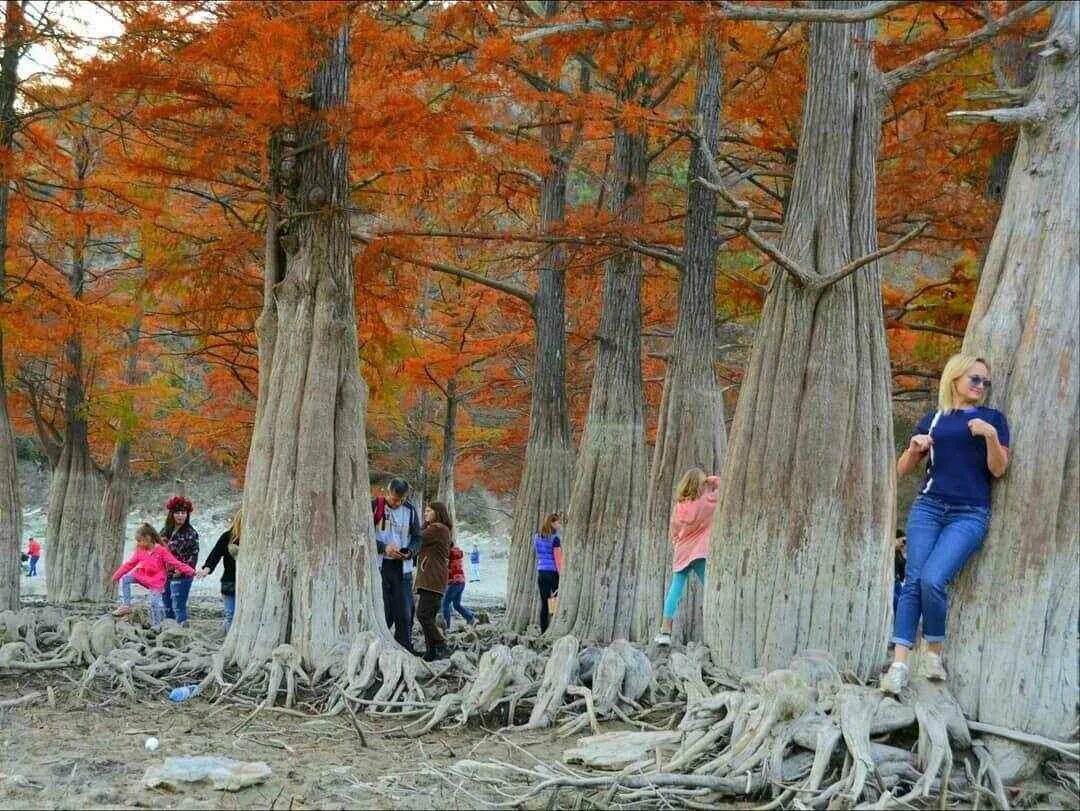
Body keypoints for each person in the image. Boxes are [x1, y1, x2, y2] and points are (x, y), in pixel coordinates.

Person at [881, 354, 1010, 694]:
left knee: (933, 579)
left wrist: (991, 437)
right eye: (974, 379)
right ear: (955, 379)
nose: (980, 386)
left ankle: (933, 650)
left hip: (969, 513)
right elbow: (903, 469)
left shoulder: (993, 419)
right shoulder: (934, 419)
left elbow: (998, 469)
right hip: (929, 507)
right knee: (912, 583)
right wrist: (913, 448)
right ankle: (899, 664)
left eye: (985, 382)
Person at [655, 469, 721, 647]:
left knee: (675, 590)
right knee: (711, 587)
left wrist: (678, 542)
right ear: (701, 485)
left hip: (682, 552)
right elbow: (722, 489)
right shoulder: (706, 502)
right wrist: (711, 480)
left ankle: (665, 631)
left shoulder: (679, 507)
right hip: (699, 553)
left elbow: (673, 532)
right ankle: (720, 624)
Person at [372, 478, 422, 652]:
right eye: (393, 499)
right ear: (387, 492)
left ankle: (404, 648)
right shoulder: (375, 506)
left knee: (405, 612)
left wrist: (409, 551)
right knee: (384, 611)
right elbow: (364, 535)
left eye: (400, 500)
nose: (397, 503)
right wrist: (383, 548)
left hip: (403, 569)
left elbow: (417, 538)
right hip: (380, 566)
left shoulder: (410, 511)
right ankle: (380, 648)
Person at [112, 523, 195, 626]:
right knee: (126, 578)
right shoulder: (140, 550)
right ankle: (126, 605)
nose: (138, 543)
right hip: (142, 575)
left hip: (156, 580)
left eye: (140, 540)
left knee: (154, 602)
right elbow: (129, 564)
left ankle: (157, 624)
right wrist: (116, 575)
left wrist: (191, 571)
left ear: (148, 538)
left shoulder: (161, 550)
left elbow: (175, 563)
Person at [416, 501, 453, 661]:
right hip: (434, 578)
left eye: (429, 511)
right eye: (425, 511)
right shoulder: (440, 530)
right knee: (428, 616)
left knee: (422, 614)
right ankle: (431, 653)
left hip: (432, 578)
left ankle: (440, 644)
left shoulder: (437, 529)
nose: (425, 514)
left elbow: (416, 537)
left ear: (437, 513)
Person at [195, 509, 241, 631]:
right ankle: (227, 638)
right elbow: (215, 555)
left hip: (249, 584)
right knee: (230, 614)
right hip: (229, 582)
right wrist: (206, 569)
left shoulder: (257, 538)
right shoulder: (227, 537)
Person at [160, 496, 199, 626]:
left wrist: (181, 570)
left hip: (182, 576)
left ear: (187, 514)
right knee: (167, 606)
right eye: (177, 512)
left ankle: (181, 632)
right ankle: (169, 631)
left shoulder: (191, 533)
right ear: (172, 514)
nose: (180, 516)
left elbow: (193, 557)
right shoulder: (165, 531)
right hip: (165, 574)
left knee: (178, 605)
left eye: (183, 513)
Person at [534, 513, 563, 633]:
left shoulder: (537, 537)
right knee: (556, 600)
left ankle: (543, 630)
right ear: (552, 523)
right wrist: (561, 573)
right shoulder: (555, 539)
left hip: (541, 572)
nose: (559, 525)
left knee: (544, 602)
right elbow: (558, 558)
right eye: (557, 523)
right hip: (552, 573)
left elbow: (537, 552)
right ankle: (554, 625)